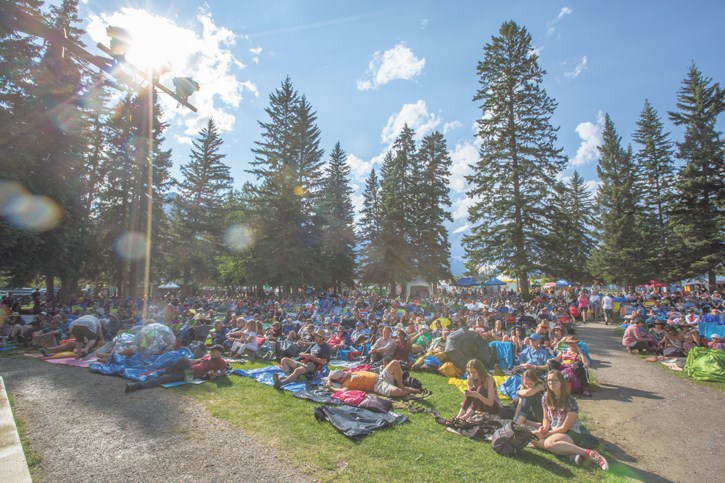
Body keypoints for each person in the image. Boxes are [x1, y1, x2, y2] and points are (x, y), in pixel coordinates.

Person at [532, 370, 609, 471]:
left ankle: (588, 453)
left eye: (554, 380)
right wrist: (544, 428)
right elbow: (546, 418)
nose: (551, 383)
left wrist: (546, 434)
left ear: (561, 382)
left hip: (572, 432)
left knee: (548, 443)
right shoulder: (545, 397)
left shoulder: (570, 401)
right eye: (549, 381)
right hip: (555, 430)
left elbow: (564, 428)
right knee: (532, 437)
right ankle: (572, 453)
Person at [125, 345, 227, 392]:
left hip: (192, 376)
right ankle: (135, 386)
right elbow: (195, 361)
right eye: (212, 351)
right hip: (186, 371)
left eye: (214, 351)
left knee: (183, 360)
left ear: (219, 353)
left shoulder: (221, 361)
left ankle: (164, 372)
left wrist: (216, 375)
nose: (212, 352)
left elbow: (223, 371)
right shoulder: (207, 357)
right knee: (164, 378)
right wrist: (187, 361)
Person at [326, 359, 422, 398]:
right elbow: (340, 391)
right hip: (377, 385)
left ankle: (403, 386)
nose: (345, 374)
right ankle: (406, 390)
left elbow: (330, 374)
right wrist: (330, 387)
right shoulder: (345, 384)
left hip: (380, 376)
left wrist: (329, 379)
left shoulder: (348, 374)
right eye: (343, 376)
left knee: (395, 362)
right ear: (340, 380)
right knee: (397, 392)